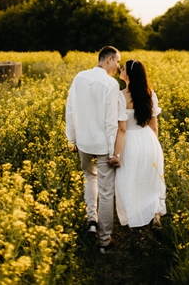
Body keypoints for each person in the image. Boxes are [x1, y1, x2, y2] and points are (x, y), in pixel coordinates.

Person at [65, 45, 127, 254]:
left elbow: (70, 108)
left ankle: (92, 220)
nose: (119, 66)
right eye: (117, 61)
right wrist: (113, 152)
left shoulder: (79, 77)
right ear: (108, 60)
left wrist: (72, 138)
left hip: (83, 142)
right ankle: (104, 241)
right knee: (107, 191)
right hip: (102, 144)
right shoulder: (110, 85)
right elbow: (111, 122)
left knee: (89, 178)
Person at [112, 59, 167, 229]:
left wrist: (117, 154)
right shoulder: (150, 94)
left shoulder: (121, 96)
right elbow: (154, 126)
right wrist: (152, 146)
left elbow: (121, 129)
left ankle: (136, 217)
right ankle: (155, 214)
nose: (120, 69)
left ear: (128, 74)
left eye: (123, 68)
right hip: (149, 140)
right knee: (150, 180)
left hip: (129, 142)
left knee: (129, 180)